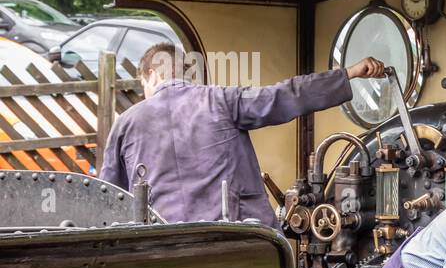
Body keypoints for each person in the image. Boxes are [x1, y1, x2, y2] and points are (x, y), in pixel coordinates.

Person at [100, 42, 386, 224]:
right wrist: (347, 74)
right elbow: (285, 95)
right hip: (240, 239)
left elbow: (108, 196)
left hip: (160, 246)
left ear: (150, 74)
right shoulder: (222, 100)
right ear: (187, 73)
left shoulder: (125, 123)